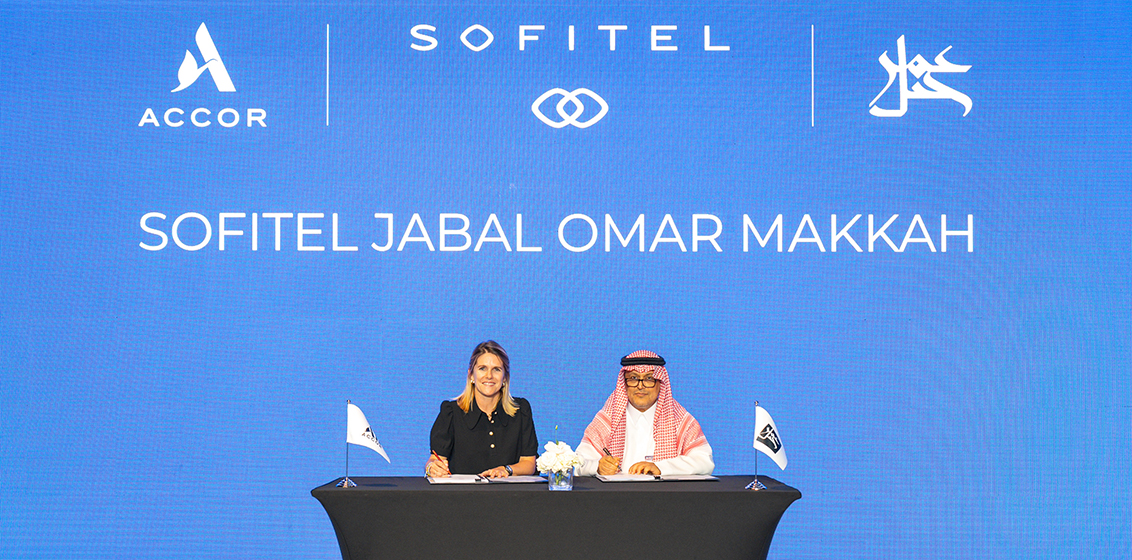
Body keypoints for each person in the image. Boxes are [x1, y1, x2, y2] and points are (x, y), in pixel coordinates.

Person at [576, 350, 713, 476]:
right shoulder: (607, 421)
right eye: (633, 378)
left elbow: (704, 462)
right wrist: (598, 467)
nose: (640, 386)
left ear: (660, 383)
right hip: (616, 493)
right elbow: (577, 463)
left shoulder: (680, 420)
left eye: (648, 379)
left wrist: (661, 468)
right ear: (624, 384)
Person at [425, 341, 538, 478]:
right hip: (461, 491)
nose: (489, 375)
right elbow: (435, 459)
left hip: (509, 491)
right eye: (482, 368)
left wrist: (506, 470)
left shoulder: (521, 410)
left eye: (496, 369)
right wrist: (432, 468)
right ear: (471, 375)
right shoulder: (451, 413)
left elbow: (529, 463)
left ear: (505, 378)